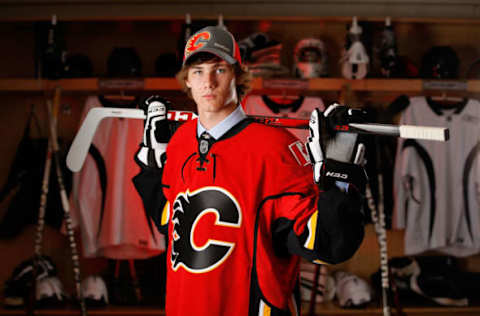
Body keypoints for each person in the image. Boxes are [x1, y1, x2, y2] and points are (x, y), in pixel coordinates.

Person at [133, 25, 367, 316]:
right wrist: (152, 168)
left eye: (219, 70)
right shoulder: (180, 142)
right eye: (197, 71)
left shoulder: (276, 149)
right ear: (187, 82)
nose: (208, 82)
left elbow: (326, 244)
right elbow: (172, 223)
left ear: (239, 77)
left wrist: (338, 180)